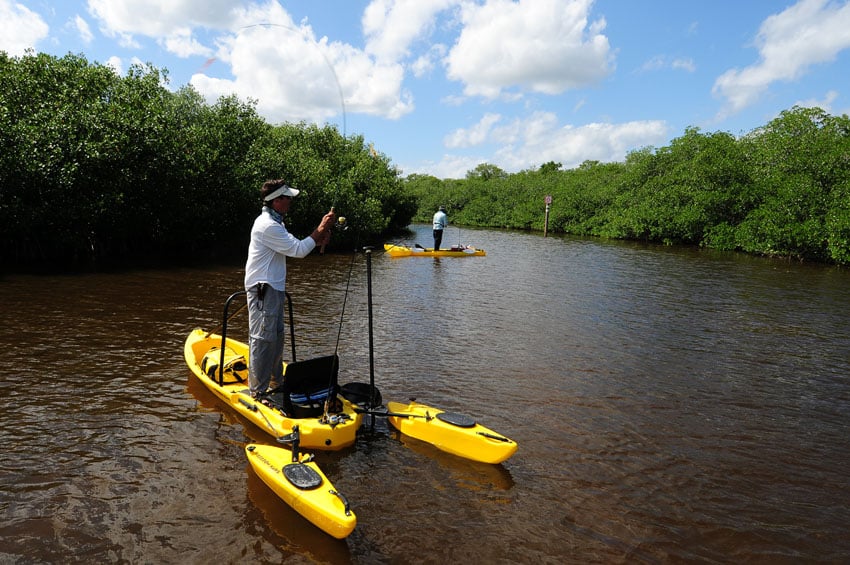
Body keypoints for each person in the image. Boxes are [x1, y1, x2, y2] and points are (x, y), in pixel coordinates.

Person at [244, 179, 335, 403]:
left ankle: (277, 382)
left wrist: (318, 238)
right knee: (262, 339)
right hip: (262, 291)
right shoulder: (268, 225)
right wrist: (320, 229)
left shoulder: (278, 224)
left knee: (276, 338)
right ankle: (257, 391)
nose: (290, 201)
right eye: (287, 198)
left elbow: (299, 246)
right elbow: (298, 250)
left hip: (273, 290)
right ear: (276, 201)